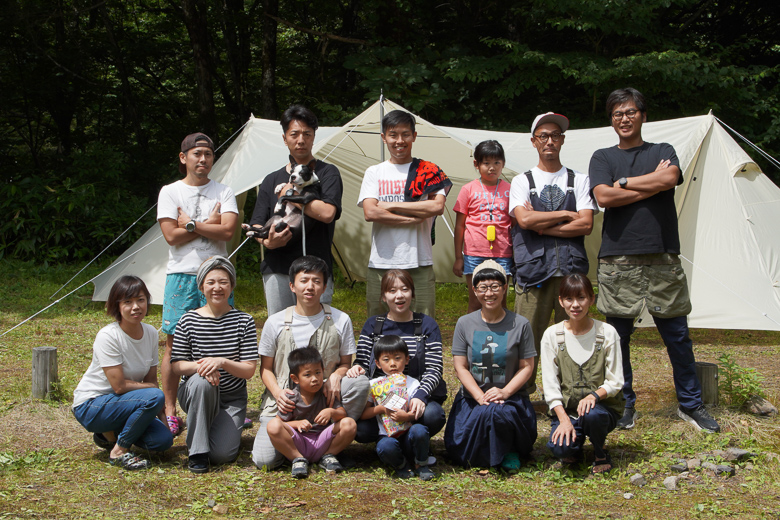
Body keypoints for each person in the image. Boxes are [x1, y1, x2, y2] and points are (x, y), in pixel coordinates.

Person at [589, 87, 720, 433]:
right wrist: (651, 185)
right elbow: (604, 196)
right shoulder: (602, 157)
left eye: (630, 112)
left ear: (643, 116)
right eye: (617, 113)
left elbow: (670, 177)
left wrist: (627, 183)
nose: (624, 118)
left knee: (677, 335)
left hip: (663, 254)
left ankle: (690, 405)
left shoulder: (662, 151)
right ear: (611, 120)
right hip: (617, 258)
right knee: (618, 338)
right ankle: (624, 405)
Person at [252, 256, 369, 470]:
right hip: (285, 404)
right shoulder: (275, 322)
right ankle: (305, 451)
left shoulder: (340, 319)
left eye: (316, 281)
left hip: (323, 400)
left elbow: (346, 363)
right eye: (304, 280)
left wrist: (335, 375)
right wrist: (278, 393)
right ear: (292, 286)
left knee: (359, 382)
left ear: (324, 286)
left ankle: (333, 445)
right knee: (265, 461)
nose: (310, 287)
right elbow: (266, 369)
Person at [157, 132, 239, 436]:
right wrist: (210, 227)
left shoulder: (225, 190)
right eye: (196, 154)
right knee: (173, 343)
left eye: (207, 154)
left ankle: (227, 403)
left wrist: (190, 224)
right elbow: (170, 236)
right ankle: (169, 409)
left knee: (223, 339)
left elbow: (228, 231)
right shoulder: (170, 192)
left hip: (216, 274)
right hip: (180, 274)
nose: (202, 159)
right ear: (184, 158)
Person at [509, 112, 596, 397]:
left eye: (555, 135)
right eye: (543, 136)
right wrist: (564, 215)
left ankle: (570, 395)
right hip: (534, 271)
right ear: (534, 142)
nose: (550, 141)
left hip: (571, 272)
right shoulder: (521, 181)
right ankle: (522, 396)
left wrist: (543, 226)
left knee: (573, 336)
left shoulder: (580, 179)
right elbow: (524, 221)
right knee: (527, 338)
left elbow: (586, 224)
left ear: (562, 141)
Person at [248, 105, 343, 316]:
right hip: (277, 267)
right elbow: (256, 222)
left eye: (307, 134)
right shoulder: (271, 179)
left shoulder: (328, 173)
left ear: (314, 137)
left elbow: (327, 213)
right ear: (285, 138)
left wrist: (290, 193)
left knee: (317, 334)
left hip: (316, 270)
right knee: (280, 332)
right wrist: (266, 241)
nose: (301, 140)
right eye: (294, 134)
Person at [444, 260, 537, 471]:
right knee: (478, 423)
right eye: (483, 287)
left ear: (505, 289)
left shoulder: (520, 324)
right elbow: (461, 367)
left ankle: (509, 449)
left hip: (511, 400)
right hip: (473, 399)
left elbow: (527, 367)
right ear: (474, 290)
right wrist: (479, 396)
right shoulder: (464, 323)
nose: (489, 293)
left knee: (498, 413)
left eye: (495, 286)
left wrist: (504, 392)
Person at [72, 276, 173, 470]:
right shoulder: (108, 336)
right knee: (153, 395)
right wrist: (153, 393)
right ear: (116, 306)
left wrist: (163, 418)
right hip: (91, 405)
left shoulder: (151, 333)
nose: (136, 307)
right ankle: (119, 450)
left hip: (125, 404)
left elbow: (151, 380)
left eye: (140, 300)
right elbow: (119, 386)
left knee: (162, 441)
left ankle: (106, 434)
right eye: (128, 302)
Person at [358, 109, 452, 318]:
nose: (399, 141)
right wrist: (410, 218)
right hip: (381, 261)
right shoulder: (374, 172)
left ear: (414, 136)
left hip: (419, 260)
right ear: (384, 138)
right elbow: (370, 212)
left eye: (405, 134)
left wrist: (390, 206)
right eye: (393, 135)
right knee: (377, 323)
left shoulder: (429, 171)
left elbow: (436, 207)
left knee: (424, 322)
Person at [170, 257, 258, 473]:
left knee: (222, 456)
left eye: (223, 282)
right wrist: (204, 368)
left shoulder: (244, 321)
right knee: (202, 382)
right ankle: (197, 453)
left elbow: (249, 370)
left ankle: (212, 427)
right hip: (197, 391)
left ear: (231, 286)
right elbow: (177, 366)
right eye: (210, 282)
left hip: (231, 398)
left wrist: (222, 362)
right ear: (201, 287)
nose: (217, 288)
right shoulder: (187, 320)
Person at [346, 269, 446, 442]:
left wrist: (420, 396)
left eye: (405, 289)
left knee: (433, 415)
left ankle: (411, 439)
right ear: (384, 297)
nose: (399, 296)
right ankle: (390, 441)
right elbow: (362, 361)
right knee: (361, 430)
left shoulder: (426, 325)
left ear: (412, 293)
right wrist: (357, 368)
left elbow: (434, 369)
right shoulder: (373, 325)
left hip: (414, 395)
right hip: (381, 400)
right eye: (392, 291)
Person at [541, 273, 624, 474]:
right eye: (569, 299)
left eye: (581, 298)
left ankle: (599, 450)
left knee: (592, 414)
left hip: (601, 410)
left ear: (592, 299)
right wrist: (563, 420)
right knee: (559, 449)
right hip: (568, 410)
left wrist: (594, 396)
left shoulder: (607, 332)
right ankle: (574, 445)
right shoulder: (552, 335)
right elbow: (550, 385)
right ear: (560, 301)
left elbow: (616, 380)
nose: (575, 305)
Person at [267, 347, 357, 478]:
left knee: (349, 423)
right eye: (307, 375)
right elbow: (279, 423)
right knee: (272, 425)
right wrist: (297, 423)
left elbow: (342, 414)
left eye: (318, 373)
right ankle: (297, 459)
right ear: (295, 378)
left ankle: (328, 456)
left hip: (322, 440)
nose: (315, 379)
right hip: (299, 442)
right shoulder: (292, 397)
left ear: (323, 372)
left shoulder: (326, 393)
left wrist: (331, 412)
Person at [359, 336, 435, 480]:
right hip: (386, 434)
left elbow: (417, 411)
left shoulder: (412, 383)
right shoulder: (373, 385)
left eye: (397, 358)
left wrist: (407, 417)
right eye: (386, 360)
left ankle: (421, 464)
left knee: (420, 430)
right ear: (378, 363)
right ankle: (401, 465)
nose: (392, 364)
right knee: (385, 448)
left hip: (408, 433)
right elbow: (363, 414)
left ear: (407, 360)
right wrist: (381, 409)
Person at [453, 140, 513, 313]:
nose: (492, 167)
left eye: (497, 163)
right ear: (476, 164)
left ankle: (503, 339)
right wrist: (459, 257)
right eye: (486, 163)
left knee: (500, 301)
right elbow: (459, 226)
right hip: (474, 254)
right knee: (475, 302)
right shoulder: (468, 189)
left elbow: (515, 224)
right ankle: (472, 338)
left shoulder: (510, 189)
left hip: (503, 253)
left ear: (503, 164)